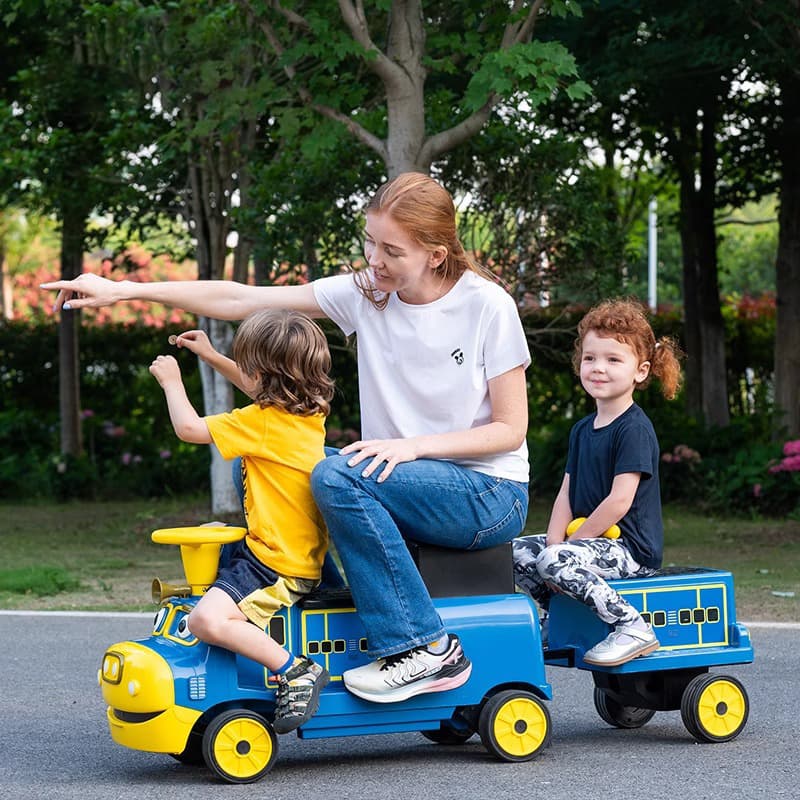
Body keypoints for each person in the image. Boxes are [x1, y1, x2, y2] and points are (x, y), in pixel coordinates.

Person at [42, 171, 531, 704]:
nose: (374, 260)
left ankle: (425, 649)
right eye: (370, 242)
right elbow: (240, 298)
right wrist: (125, 290)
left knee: (336, 473)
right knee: (265, 460)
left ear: (435, 255)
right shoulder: (367, 295)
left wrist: (412, 447)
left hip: (488, 495)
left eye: (392, 251)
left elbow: (510, 431)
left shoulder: (487, 305)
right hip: (395, 476)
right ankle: (314, 589)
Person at [149, 309, 335, 733]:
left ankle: (296, 670)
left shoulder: (262, 422)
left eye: (246, 365)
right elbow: (258, 385)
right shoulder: (306, 413)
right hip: (278, 550)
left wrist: (172, 381)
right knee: (210, 542)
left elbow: (190, 429)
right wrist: (212, 356)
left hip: (276, 565)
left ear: (264, 376)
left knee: (204, 621)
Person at [513, 298, 682, 667]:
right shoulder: (581, 430)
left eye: (613, 360)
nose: (599, 368)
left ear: (641, 371)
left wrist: (569, 546)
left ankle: (631, 625)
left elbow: (620, 501)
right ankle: (557, 617)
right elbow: (566, 492)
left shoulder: (634, 429)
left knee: (554, 559)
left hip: (630, 550)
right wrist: (555, 541)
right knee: (517, 553)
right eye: (590, 358)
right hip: (589, 542)